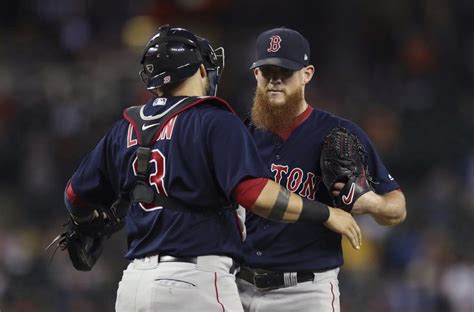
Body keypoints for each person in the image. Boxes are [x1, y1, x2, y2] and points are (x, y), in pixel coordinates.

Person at [62, 25, 362, 312]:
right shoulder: (214, 119)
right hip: (195, 282)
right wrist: (325, 213)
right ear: (201, 69)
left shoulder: (124, 127)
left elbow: (75, 196)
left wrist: (86, 219)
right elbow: (256, 195)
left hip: (132, 286)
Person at [236, 27, 407, 312]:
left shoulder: (338, 132)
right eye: (267, 72)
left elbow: (398, 207)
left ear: (307, 74)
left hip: (303, 292)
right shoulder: (242, 135)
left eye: (286, 72)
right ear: (256, 75)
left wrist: (371, 202)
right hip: (238, 285)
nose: (275, 81)